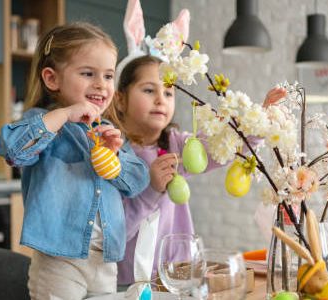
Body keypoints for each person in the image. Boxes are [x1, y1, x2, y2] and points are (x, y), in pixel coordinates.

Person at [0, 22, 149, 299]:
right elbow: (13, 150)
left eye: (108, 76)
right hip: (59, 260)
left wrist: (115, 157)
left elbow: (137, 181)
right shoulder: (42, 123)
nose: (101, 85)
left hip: (105, 261)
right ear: (52, 79)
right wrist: (65, 115)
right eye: (88, 73)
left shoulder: (108, 132)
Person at [105, 54, 286, 286]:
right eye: (149, 90)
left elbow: (223, 146)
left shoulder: (176, 145)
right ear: (120, 100)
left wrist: (260, 118)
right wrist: (151, 190)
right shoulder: (112, 153)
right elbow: (113, 235)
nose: (161, 99)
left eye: (169, 92)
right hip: (129, 283)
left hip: (179, 275)